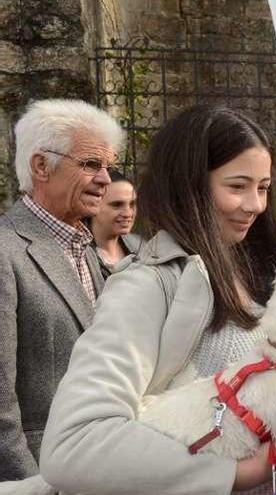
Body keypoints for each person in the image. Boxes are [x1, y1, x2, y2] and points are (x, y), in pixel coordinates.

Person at [40, 105, 276, 495]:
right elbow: (75, 444)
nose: (255, 204)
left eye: (264, 187)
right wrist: (246, 472)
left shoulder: (262, 272)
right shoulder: (147, 286)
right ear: (189, 186)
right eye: (237, 186)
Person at [0, 99, 123, 486]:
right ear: (41, 166)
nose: (105, 179)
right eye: (90, 164)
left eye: (108, 166)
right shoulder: (5, 250)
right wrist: (35, 486)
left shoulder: (85, 249)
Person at [87, 169, 141, 277]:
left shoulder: (142, 249)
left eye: (132, 204)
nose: (128, 213)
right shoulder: (79, 256)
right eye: (116, 205)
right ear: (94, 205)